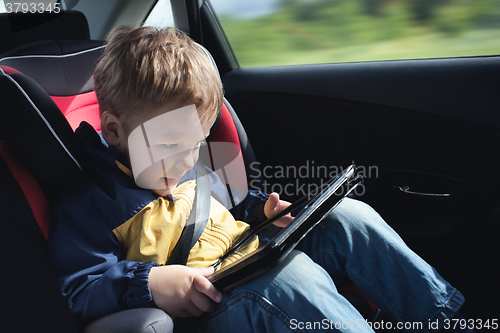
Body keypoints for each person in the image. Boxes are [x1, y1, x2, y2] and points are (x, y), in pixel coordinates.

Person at [48, 26, 469, 333]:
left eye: (195, 143)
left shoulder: (187, 166)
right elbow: (80, 288)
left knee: (349, 217)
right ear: (116, 131)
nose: (185, 160)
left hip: (253, 253)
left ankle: (446, 320)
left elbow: (231, 204)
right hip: (214, 304)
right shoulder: (91, 202)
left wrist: (261, 211)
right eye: (170, 146)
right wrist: (152, 284)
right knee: (291, 281)